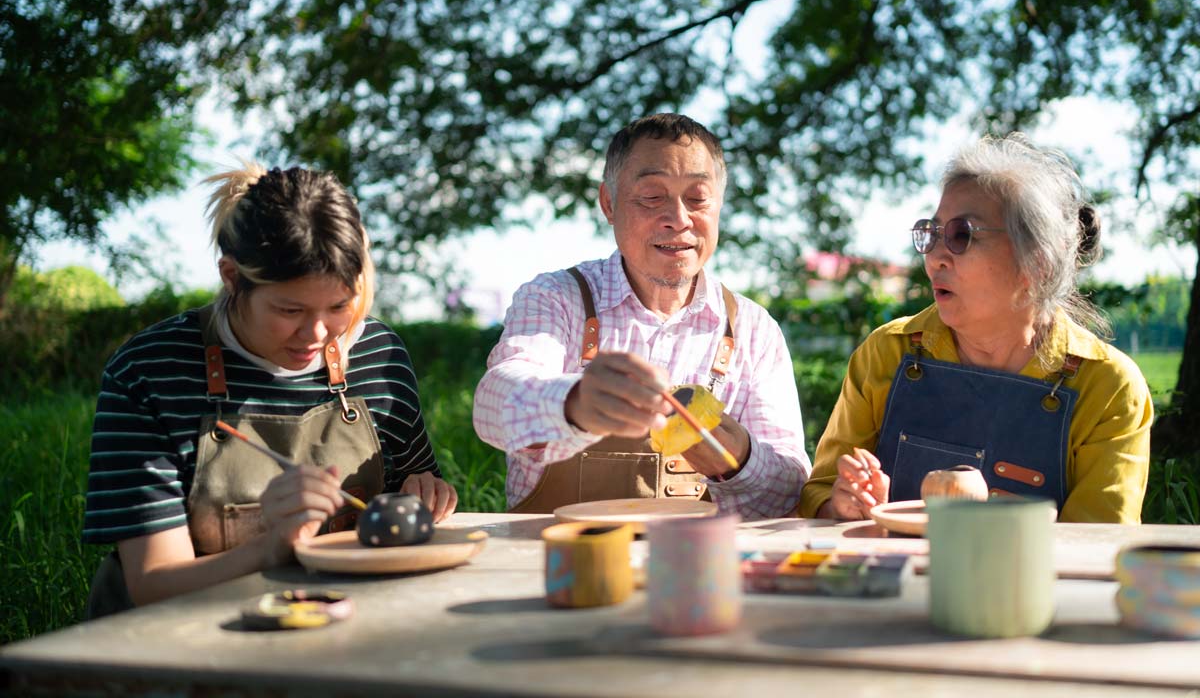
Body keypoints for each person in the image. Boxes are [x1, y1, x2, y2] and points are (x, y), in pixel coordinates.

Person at [83, 163, 457, 615]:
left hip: (341, 625)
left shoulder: (378, 353)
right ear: (231, 277)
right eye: (290, 309)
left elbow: (410, 493)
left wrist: (425, 494)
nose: (318, 333)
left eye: (340, 305)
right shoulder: (150, 371)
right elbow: (152, 584)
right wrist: (272, 546)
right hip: (177, 641)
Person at [797, 134, 1152, 523]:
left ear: (1037, 265)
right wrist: (843, 505)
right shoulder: (888, 353)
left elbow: (1097, 542)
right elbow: (818, 491)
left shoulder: (1107, 387)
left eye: (961, 235)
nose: (934, 258)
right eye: (931, 233)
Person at [473, 113, 810, 519]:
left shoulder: (754, 330)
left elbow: (791, 490)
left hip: (691, 568)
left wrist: (739, 459)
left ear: (719, 205)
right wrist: (575, 403)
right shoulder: (557, 298)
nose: (679, 218)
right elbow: (494, 405)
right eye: (652, 196)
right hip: (557, 565)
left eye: (698, 198)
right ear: (609, 204)